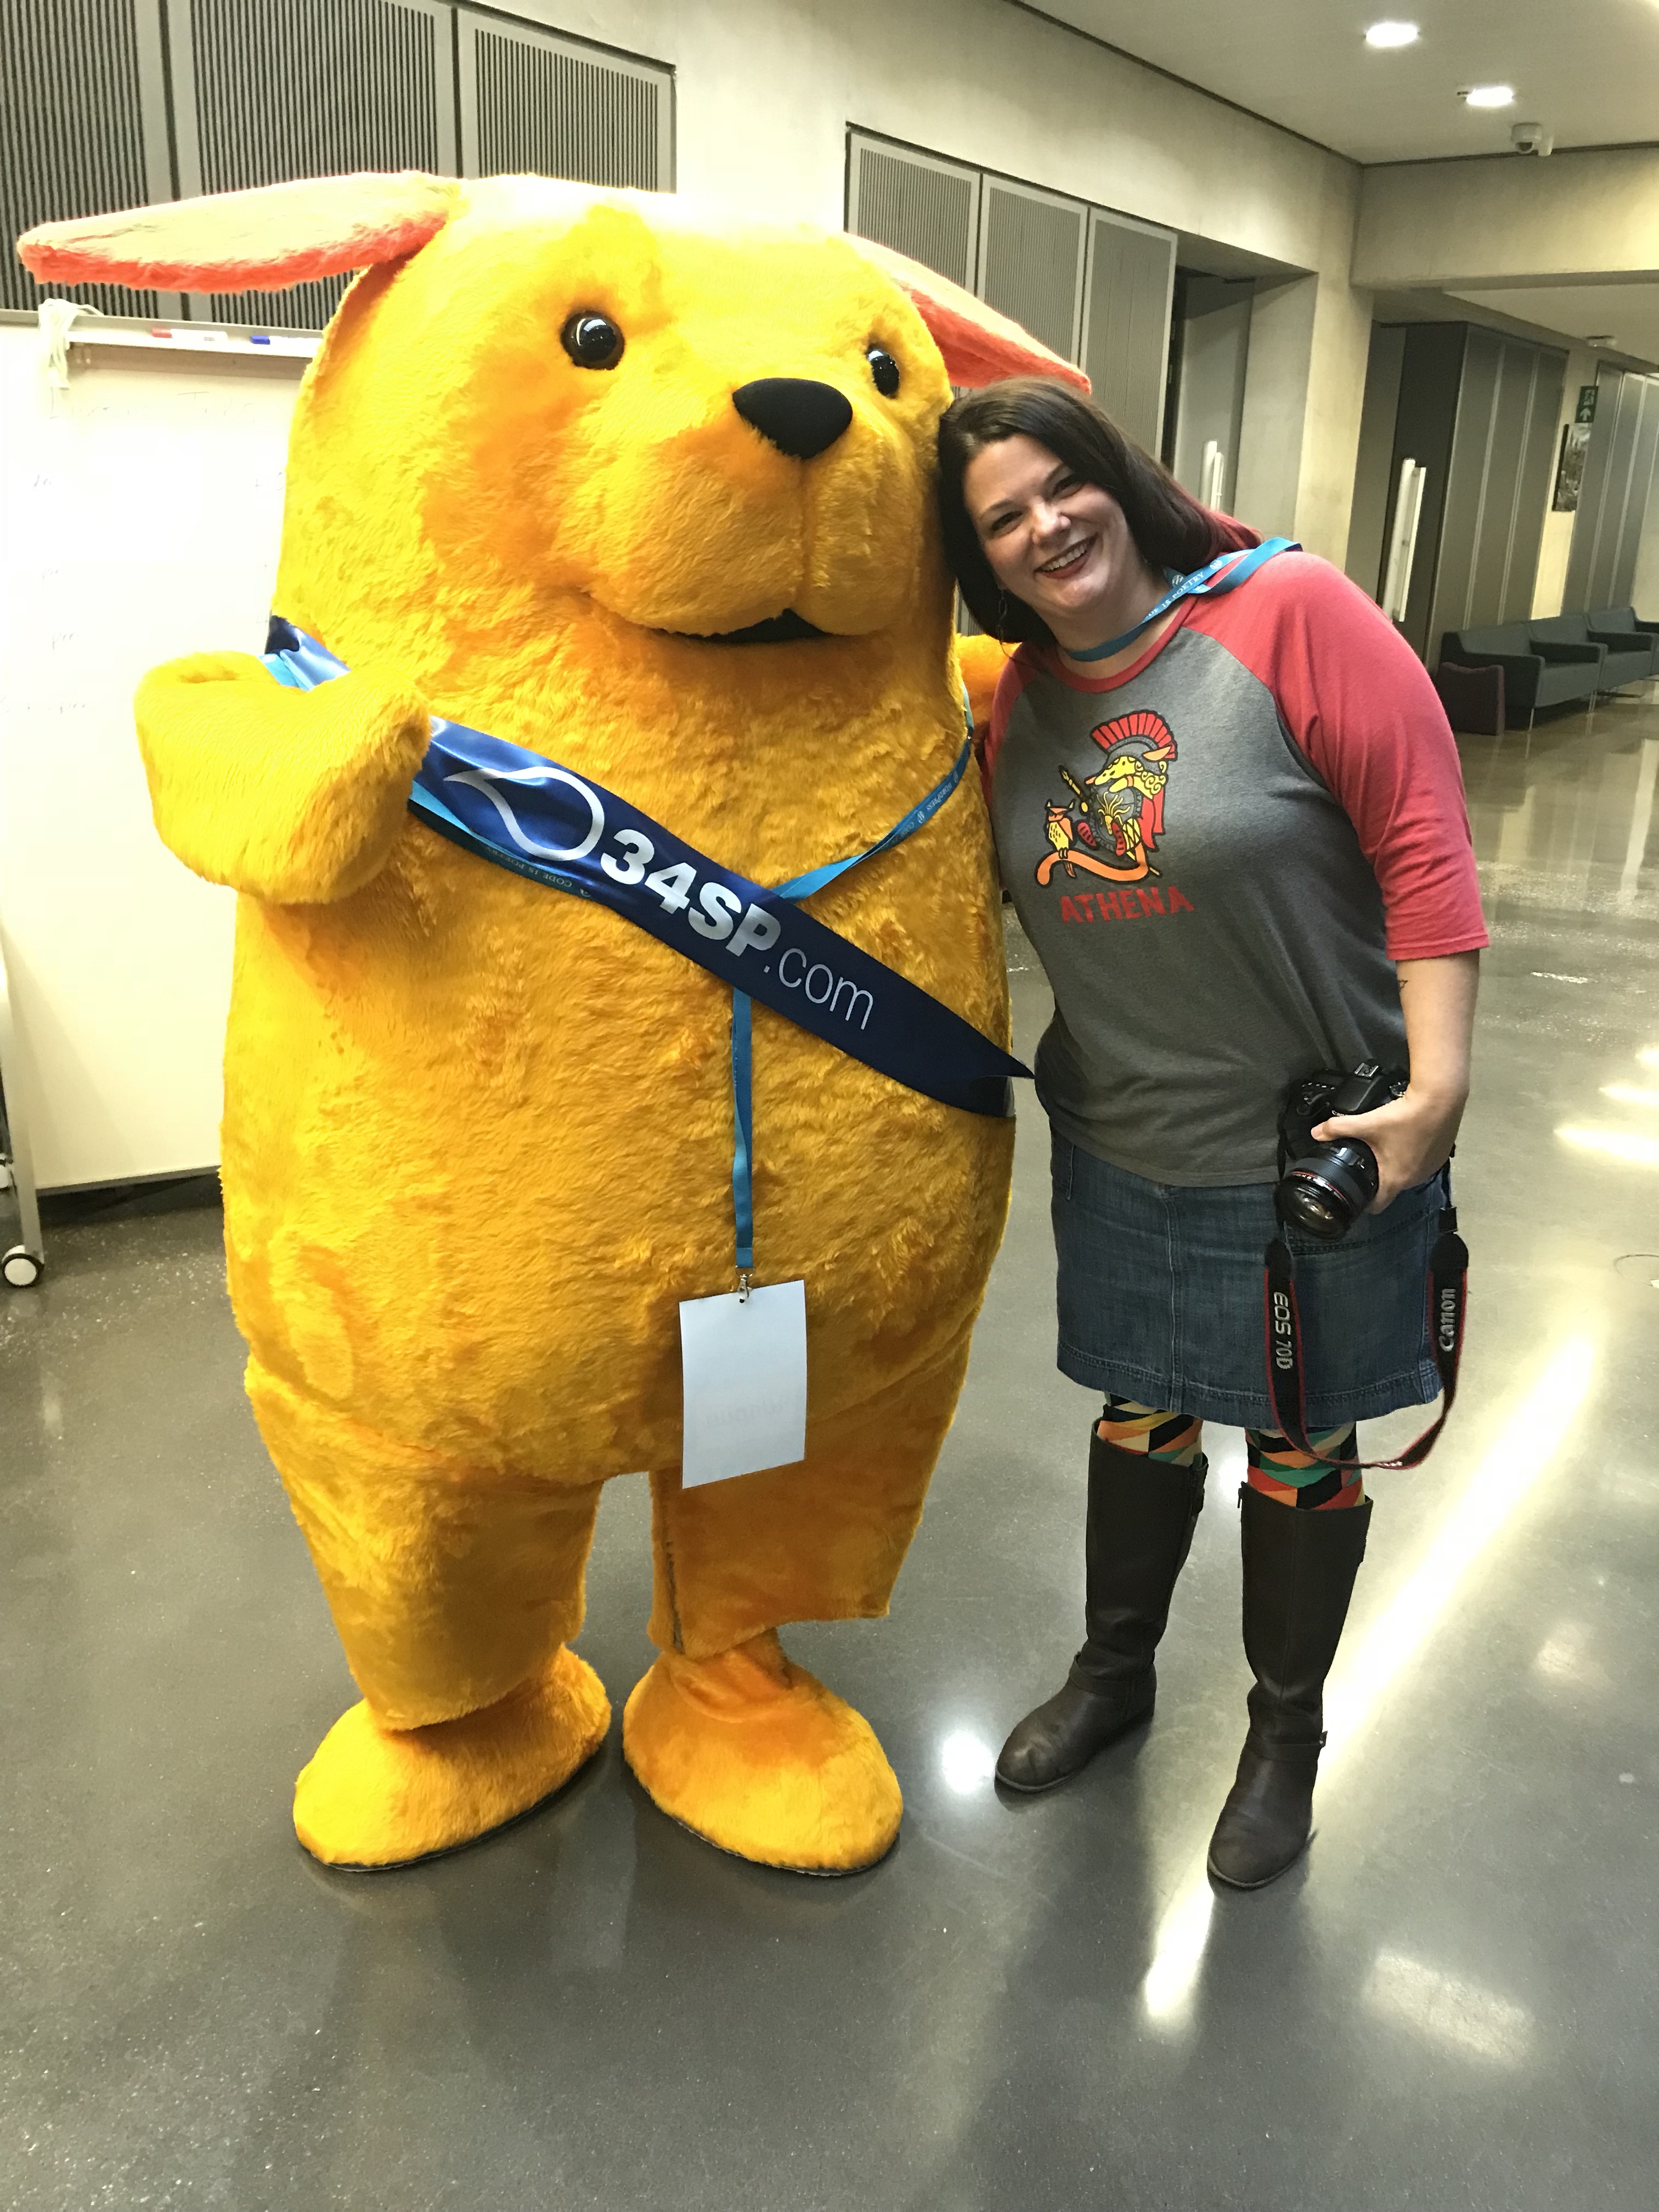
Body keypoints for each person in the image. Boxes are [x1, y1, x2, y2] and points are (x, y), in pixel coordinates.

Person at [936, 377, 1486, 1889]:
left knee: (1301, 1438)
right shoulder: (1014, 696)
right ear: (981, 563)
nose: (1048, 526)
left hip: (1312, 1138)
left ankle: (1283, 1736)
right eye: (1003, 518)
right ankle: (1115, 1677)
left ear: (1118, 477)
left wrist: (1437, 1089)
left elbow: (1424, 842)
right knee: (1142, 1406)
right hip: (1125, 1132)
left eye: (1062, 484)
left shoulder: (1287, 612)